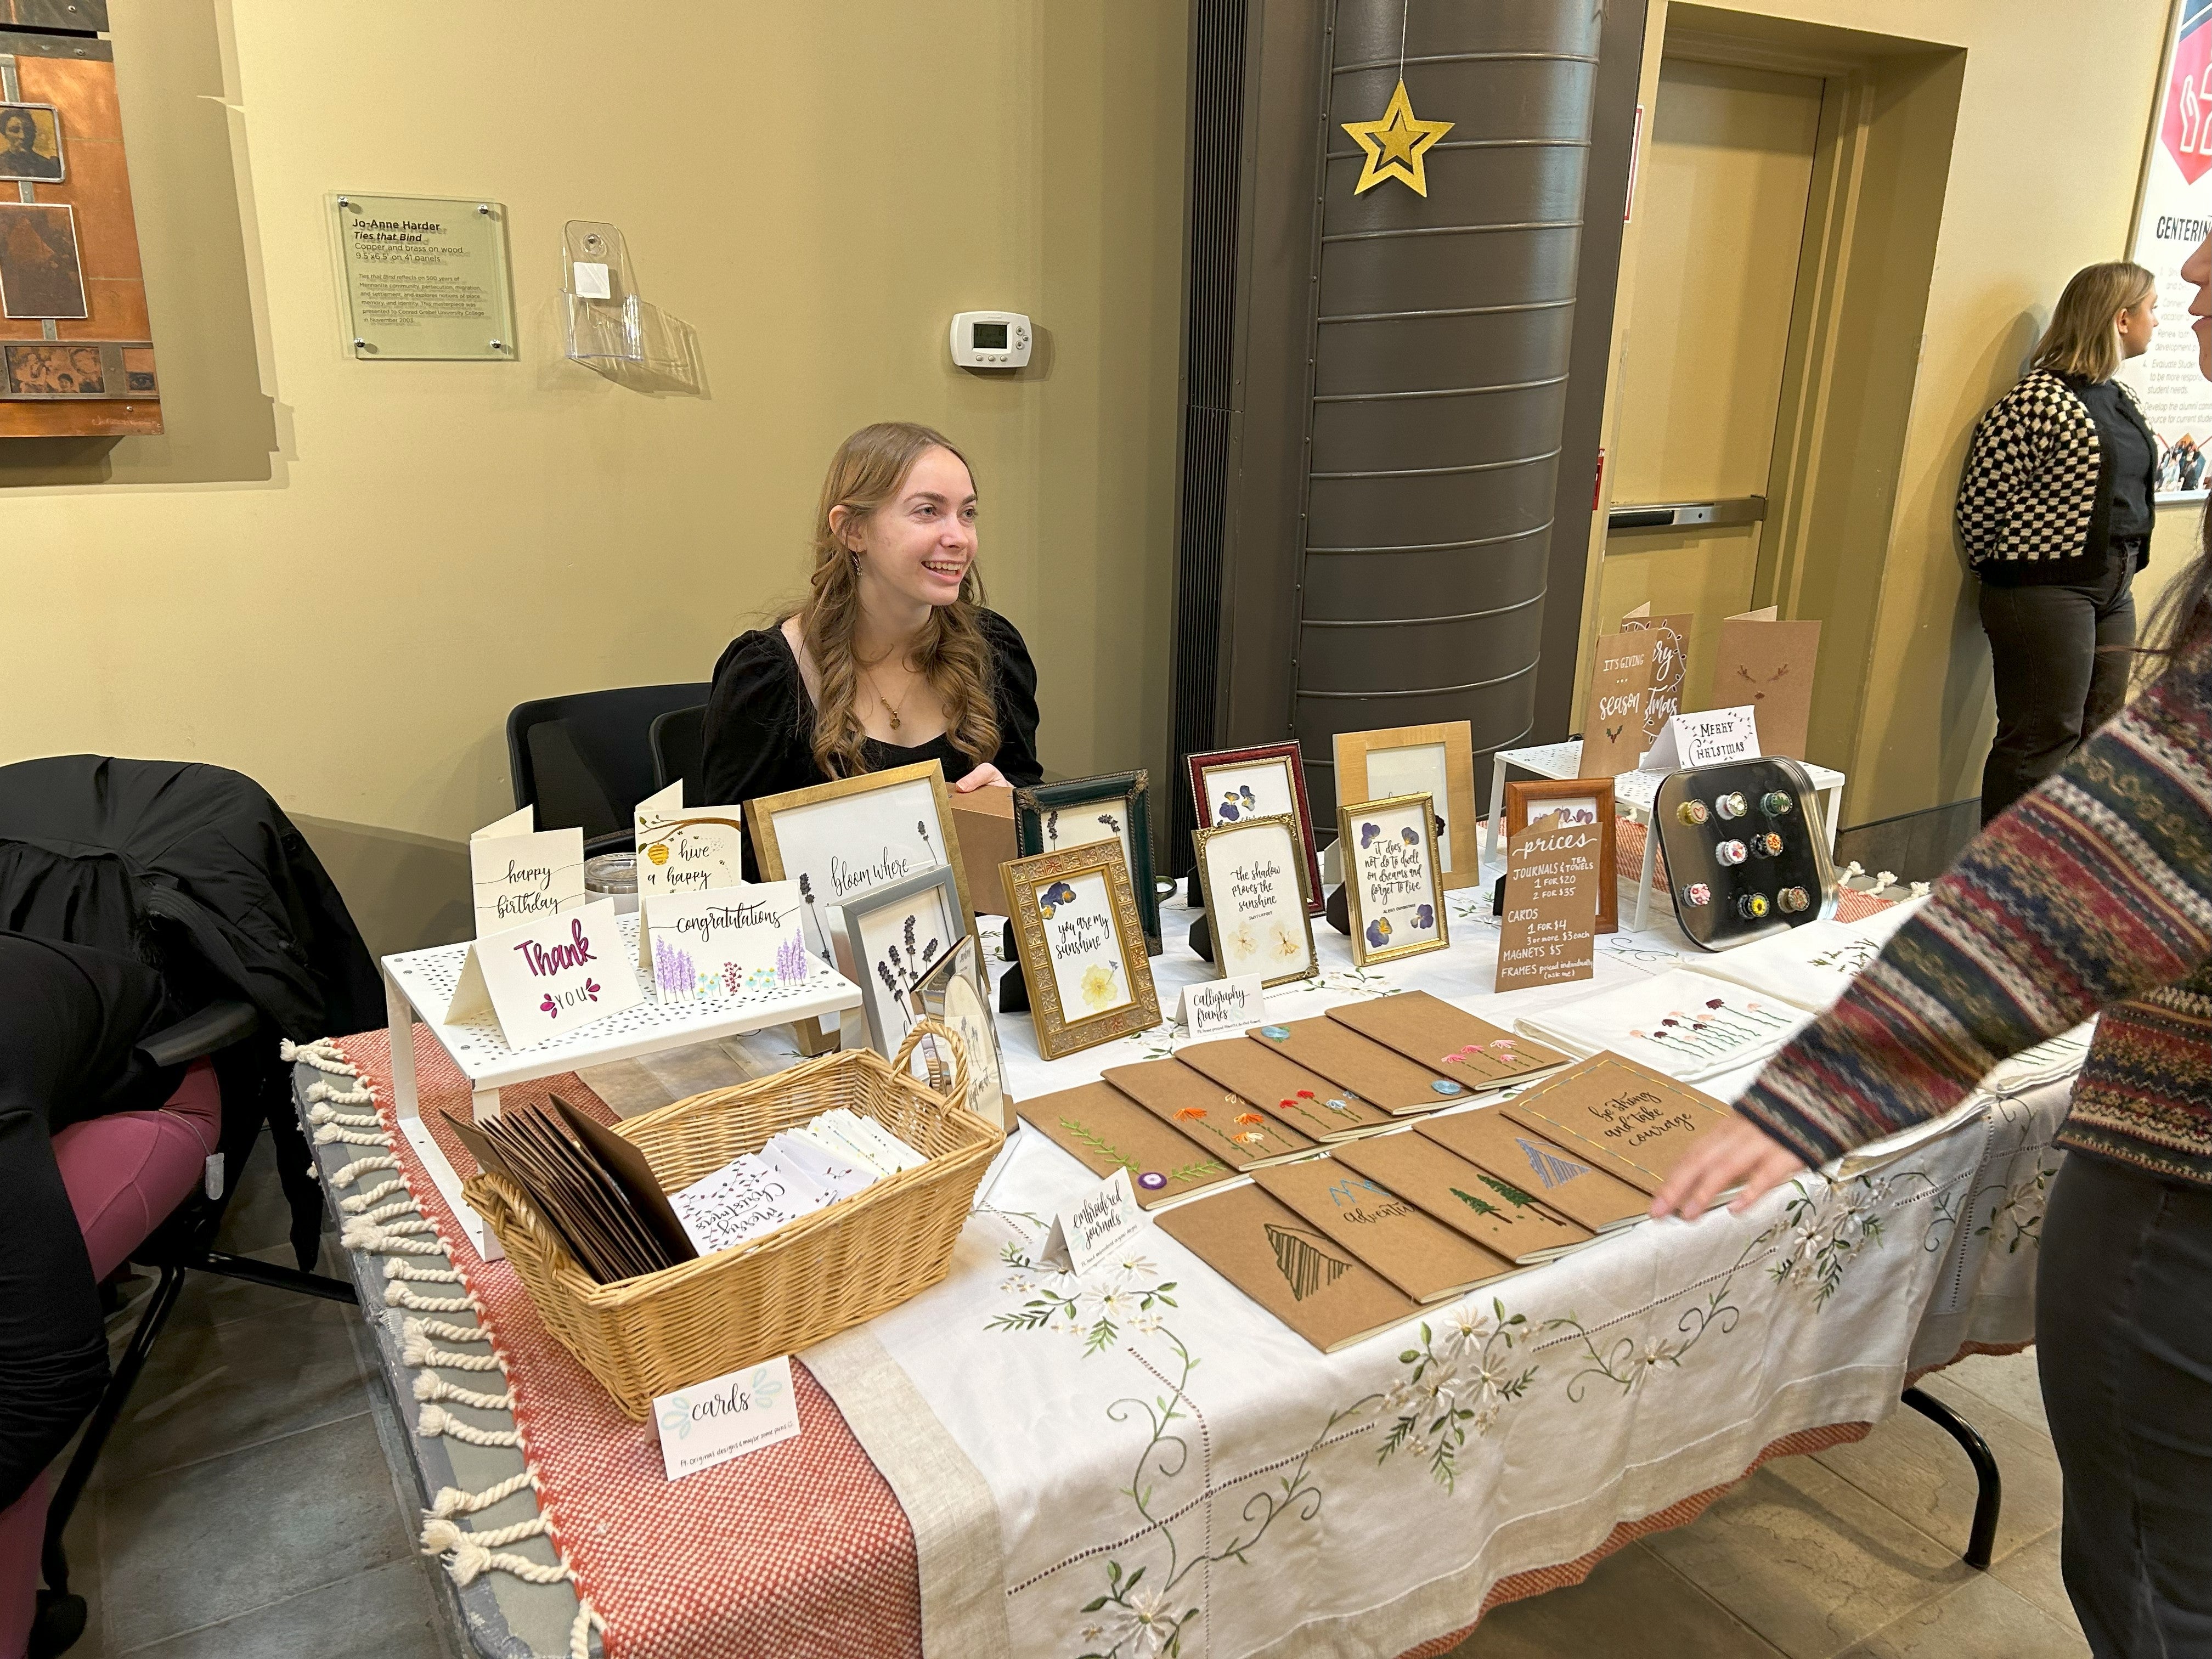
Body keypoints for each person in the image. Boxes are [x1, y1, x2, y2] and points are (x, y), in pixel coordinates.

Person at [1653, 236, 2212, 1659]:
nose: (2193, 289)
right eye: (2179, 276)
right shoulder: (2056, 405)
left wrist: (1835, 1080)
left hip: (2188, 1196)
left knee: (2162, 1584)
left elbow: (2124, 844)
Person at [700, 422, 1042, 874]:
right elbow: (730, 866)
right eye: (927, 511)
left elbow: (1026, 792)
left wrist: (1008, 802)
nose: (959, 537)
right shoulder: (769, 673)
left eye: (968, 514)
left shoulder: (995, 648)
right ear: (851, 530)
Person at [1957, 261, 2160, 825]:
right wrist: (2013, 574)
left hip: (2113, 585)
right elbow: (1981, 506)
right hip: (2044, 588)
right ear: (2121, 319)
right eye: (2152, 309)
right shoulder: (2036, 401)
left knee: (2101, 731)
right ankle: (2000, 874)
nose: (2157, 321)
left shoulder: (2119, 399)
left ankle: (2066, 864)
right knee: (2044, 733)